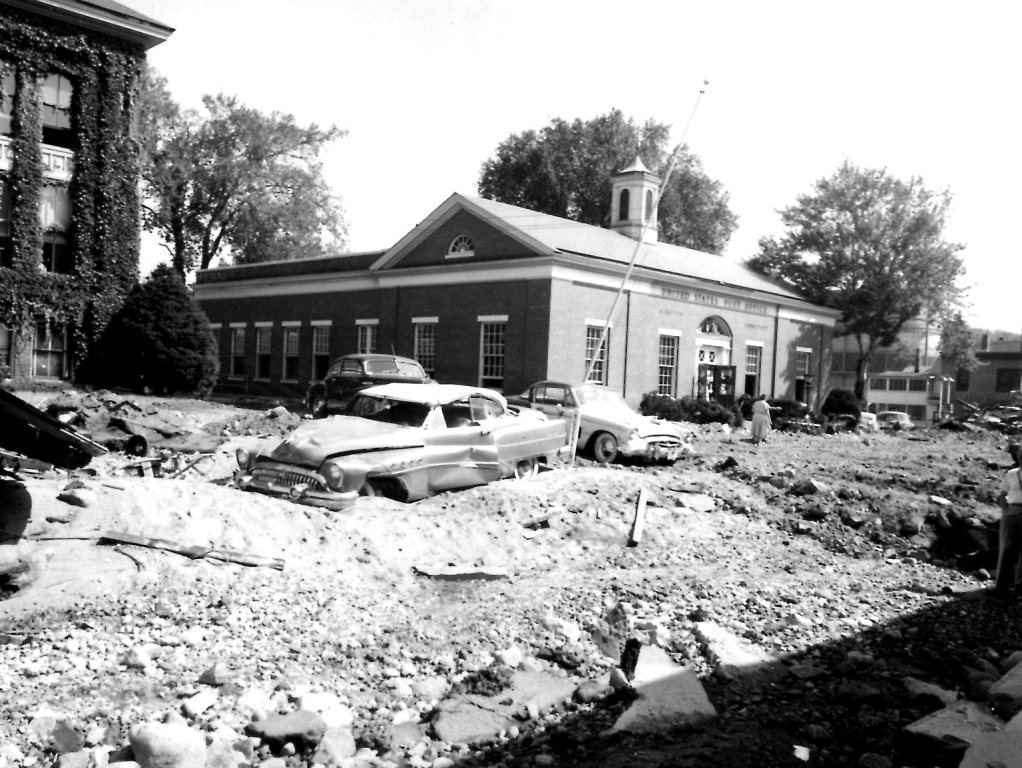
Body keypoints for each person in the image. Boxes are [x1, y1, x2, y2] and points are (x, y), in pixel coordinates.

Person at [993, 442, 1022, 599]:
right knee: (1007, 550)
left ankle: (1014, 586)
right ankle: (1004, 586)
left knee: (1009, 550)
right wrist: (1005, 509)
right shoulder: (1011, 474)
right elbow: (1002, 494)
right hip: (1011, 513)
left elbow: (1003, 494)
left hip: (1011, 514)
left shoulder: (1011, 473)